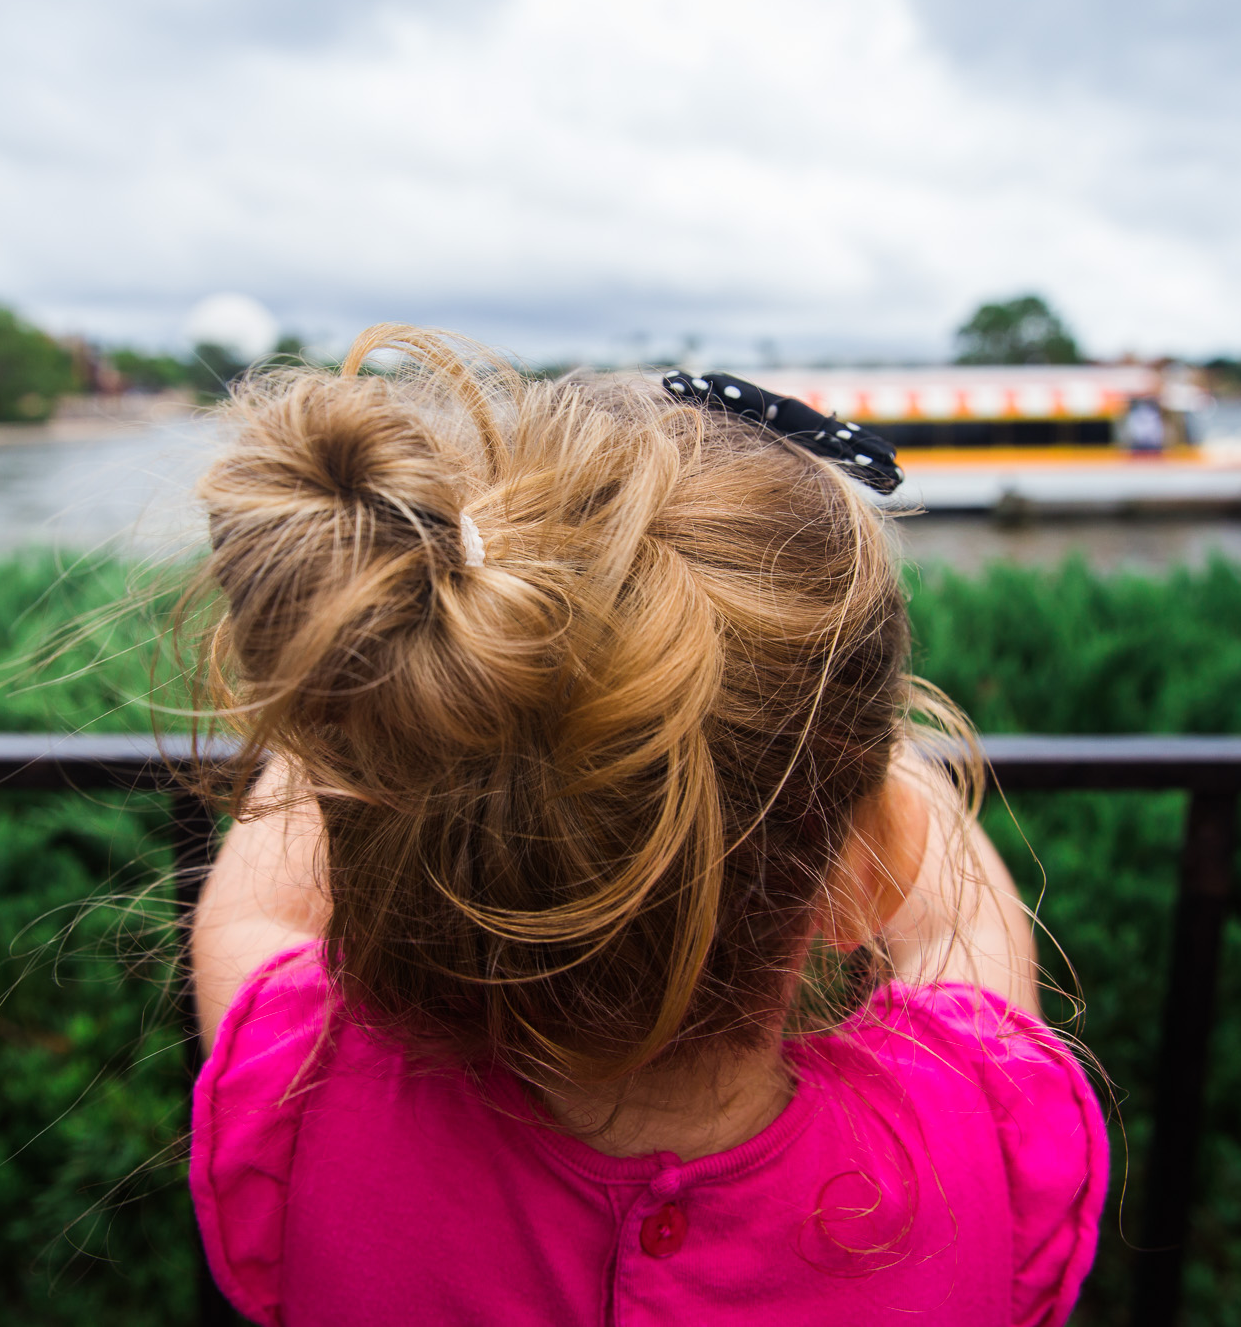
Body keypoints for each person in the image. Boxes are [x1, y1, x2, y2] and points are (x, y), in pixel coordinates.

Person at [183, 325, 1106, 1325]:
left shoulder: (308, 1101)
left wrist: (376, 680)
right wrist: (862, 745)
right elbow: (957, 932)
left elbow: (255, 912)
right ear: (869, 864)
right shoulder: (965, 1128)